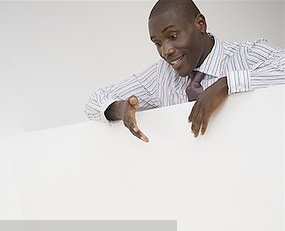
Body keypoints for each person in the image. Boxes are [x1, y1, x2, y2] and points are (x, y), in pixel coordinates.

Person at [84, 0, 285, 140]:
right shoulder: (161, 75)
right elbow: (95, 101)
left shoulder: (249, 54)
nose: (166, 51)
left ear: (200, 24)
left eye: (172, 36)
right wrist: (119, 109)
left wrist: (226, 84)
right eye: (157, 43)